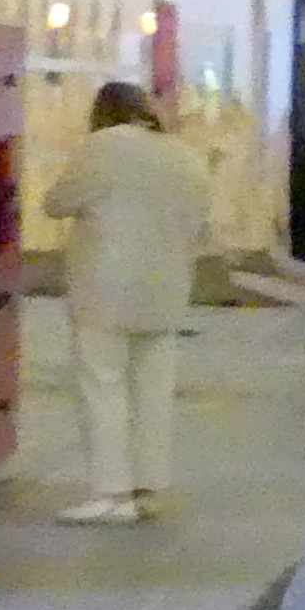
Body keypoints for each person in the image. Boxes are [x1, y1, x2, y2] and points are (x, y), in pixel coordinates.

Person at [41, 78, 212, 526]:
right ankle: (147, 488)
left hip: (107, 290)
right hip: (166, 290)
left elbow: (57, 203)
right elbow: (201, 222)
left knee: (102, 386)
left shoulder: (102, 147)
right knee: (153, 390)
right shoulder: (184, 155)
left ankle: (110, 493)